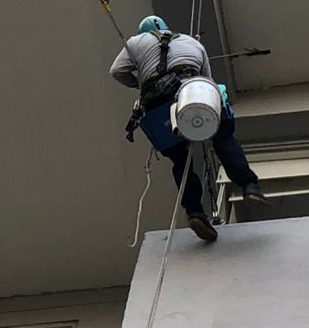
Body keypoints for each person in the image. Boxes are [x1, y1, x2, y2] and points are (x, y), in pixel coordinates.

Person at [110, 15, 267, 243]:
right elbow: (207, 83)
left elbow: (116, 71)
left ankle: (194, 211)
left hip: (157, 103)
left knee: (180, 159)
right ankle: (249, 186)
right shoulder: (192, 42)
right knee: (223, 137)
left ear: (142, 31)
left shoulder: (135, 42)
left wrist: (142, 83)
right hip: (191, 91)